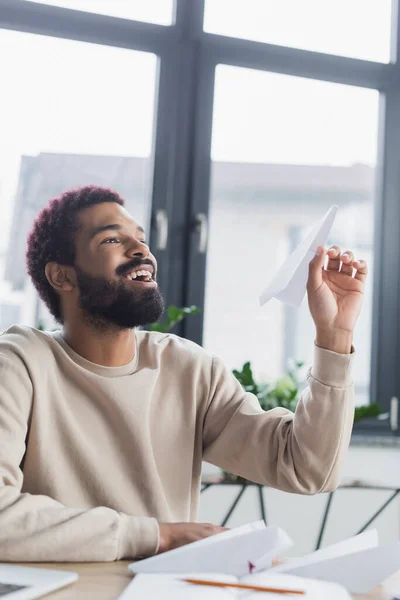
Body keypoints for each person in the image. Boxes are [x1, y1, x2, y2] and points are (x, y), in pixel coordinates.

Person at [0, 186, 367, 562]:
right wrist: (159, 536)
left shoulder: (188, 369)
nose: (141, 250)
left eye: (141, 239)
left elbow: (308, 469)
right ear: (62, 276)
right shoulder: (21, 363)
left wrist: (334, 335)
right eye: (112, 238)